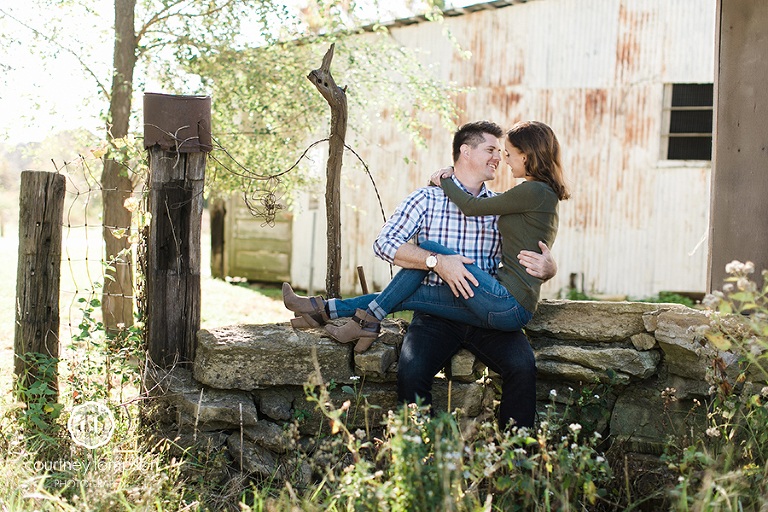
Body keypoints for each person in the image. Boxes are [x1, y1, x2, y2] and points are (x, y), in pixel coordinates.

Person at [283, 120, 558, 428]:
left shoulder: (501, 206)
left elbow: (530, 247)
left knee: (523, 366)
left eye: (502, 151)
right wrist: (435, 262)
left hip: (486, 312)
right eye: (492, 150)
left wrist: (550, 267)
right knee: (411, 370)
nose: (498, 158)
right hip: (436, 316)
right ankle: (416, 455)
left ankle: (516, 458)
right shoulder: (425, 199)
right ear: (465, 151)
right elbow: (384, 244)